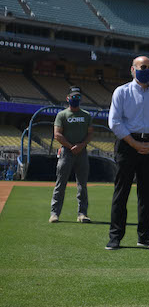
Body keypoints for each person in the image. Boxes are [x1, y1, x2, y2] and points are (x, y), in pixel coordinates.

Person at [106, 56, 149, 250]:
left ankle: (145, 236)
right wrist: (133, 143)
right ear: (133, 69)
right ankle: (115, 237)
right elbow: (114, 122)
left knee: (147, 194)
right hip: (126, 144)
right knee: (121, 192)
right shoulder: (121, 92)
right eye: (142, 67)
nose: (146, 70)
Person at [49, 86, 93, 223]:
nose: (76, 99)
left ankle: (82, 214)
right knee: (60, 184)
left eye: (78, 97)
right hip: (66, 153)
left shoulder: (86, 115)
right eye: (73, 96)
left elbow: (90, 133)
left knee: (82, 185)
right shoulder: (62, 115)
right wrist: (71, 146)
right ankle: (54, 214)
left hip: (82, 153)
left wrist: (81, 145)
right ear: (68, 98)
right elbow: (57, 134)